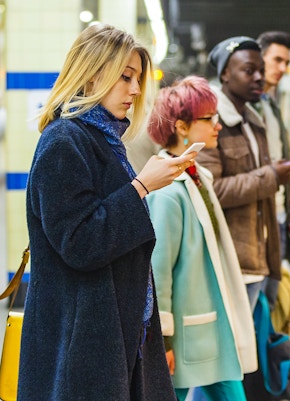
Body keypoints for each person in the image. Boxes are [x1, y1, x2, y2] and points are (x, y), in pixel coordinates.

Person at [19, 24, 195, 401]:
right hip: (82, 343)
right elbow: (80, 243)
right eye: (126, 77)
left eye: (137, 79)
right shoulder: (63, 142)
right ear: (94, 73)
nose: (134, 90)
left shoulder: (101, 139)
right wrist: (142, 186)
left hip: (112, 332)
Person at [145, 75, 257, 401]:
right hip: (186, 334)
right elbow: (158, 269)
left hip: (205, 327)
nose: (217, 125)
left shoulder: (196, 175)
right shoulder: (168, 193)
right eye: (208, 119)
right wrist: (163, 340)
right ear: (181, 127)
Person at [197, 36, 290, 311]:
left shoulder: (253, 122)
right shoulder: (211, 122)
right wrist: (272, 177)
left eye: (260, 71)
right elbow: (210, 191)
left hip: (259, 258)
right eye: (248, 70)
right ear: (225, 74)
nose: (259, 78)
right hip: (232, 265)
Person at [256, 31, 290, 311]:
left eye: (286, 62)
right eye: (277, 60)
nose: (283, 69)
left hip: (279, 215)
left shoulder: (270, 106)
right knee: (261, 304)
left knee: (270, 302)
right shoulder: (245, 109)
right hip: (261, 221)